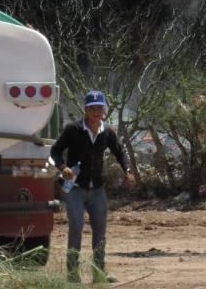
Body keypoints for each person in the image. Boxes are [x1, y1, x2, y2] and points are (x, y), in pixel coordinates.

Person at [50, 90, 136, 283]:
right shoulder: (73, 129)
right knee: (76, 227)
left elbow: (120, 152)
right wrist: (63, 167)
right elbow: (55, 151)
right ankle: (72, 274)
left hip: (97, 190)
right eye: (92, 108)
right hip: (75, 189)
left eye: (99, 108)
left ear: (104, 109)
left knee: (100, 230)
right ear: (86, 110)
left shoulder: (107, 132)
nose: (96, 112)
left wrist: (127, 171)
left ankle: (99, 272)